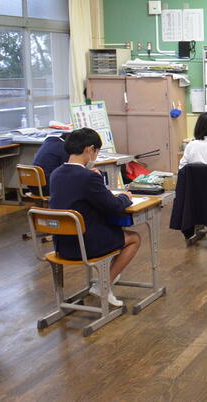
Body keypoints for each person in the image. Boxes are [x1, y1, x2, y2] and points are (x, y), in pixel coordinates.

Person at [49, 128, 141, 308]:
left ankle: (106, 279)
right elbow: (113, 206)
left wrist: (95, 179)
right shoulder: (88, 177)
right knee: (134, 238)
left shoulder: (55, 174)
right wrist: (125, 197)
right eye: (97, 151)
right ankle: (103, 285)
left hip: (62, 245)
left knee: (113, 231)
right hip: (86, 245)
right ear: (90, 149)